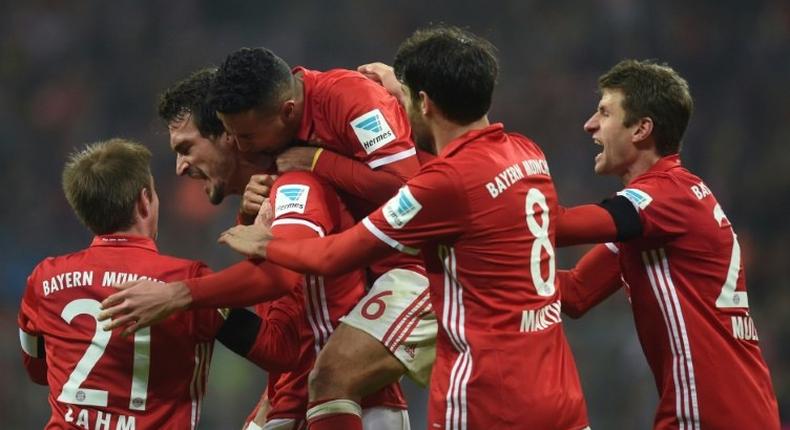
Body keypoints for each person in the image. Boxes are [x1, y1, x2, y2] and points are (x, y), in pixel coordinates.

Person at [219, 26, 591, 430]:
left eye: (404, 95)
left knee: (331, 376)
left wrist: (268, 241)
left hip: (486, 394)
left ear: (424, 102)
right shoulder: (526, 153)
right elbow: (562, 225)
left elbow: (333, 254)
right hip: (561, 396)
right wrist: (633, 217)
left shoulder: (441, 183)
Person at [103, 47, 440, 427]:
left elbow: (411, 191)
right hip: (298, 398)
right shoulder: (263, 206)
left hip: (422, 271)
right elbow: (283, 346)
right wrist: (209, 309)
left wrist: (179, 293)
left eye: (186, 148)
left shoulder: (307, 170)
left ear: (228, 136)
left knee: (332, 377)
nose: (180, 167)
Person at [551, 59, 781, 429]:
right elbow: (576, 292)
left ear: (642, 129)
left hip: (710, 414)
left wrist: (500, 190)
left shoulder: (665, 196)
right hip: (732, 409)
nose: (590, 124)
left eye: (605, 112)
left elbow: (557, 226)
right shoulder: (658, 214)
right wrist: (471, 272)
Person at [18, 138, 300, 429]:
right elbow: (281, 350)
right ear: (144, 201)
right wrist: (273, 246)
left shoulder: (43, 280)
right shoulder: (187, 284)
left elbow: (39, 370)